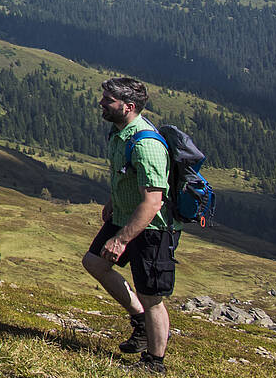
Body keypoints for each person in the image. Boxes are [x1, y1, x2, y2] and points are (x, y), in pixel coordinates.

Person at [82, 77, 179, 373]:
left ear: (128, 106)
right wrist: (114, 200)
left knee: (152, 297)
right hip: (124, 217)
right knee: (95, 263)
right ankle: (139, 321)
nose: (101, 103)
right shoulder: (119, 132)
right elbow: (126, 175)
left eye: (108, 100)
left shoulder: (146, 143)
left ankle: (154, 362)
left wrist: (121, 240)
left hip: (149, 229)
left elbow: (152, 203)